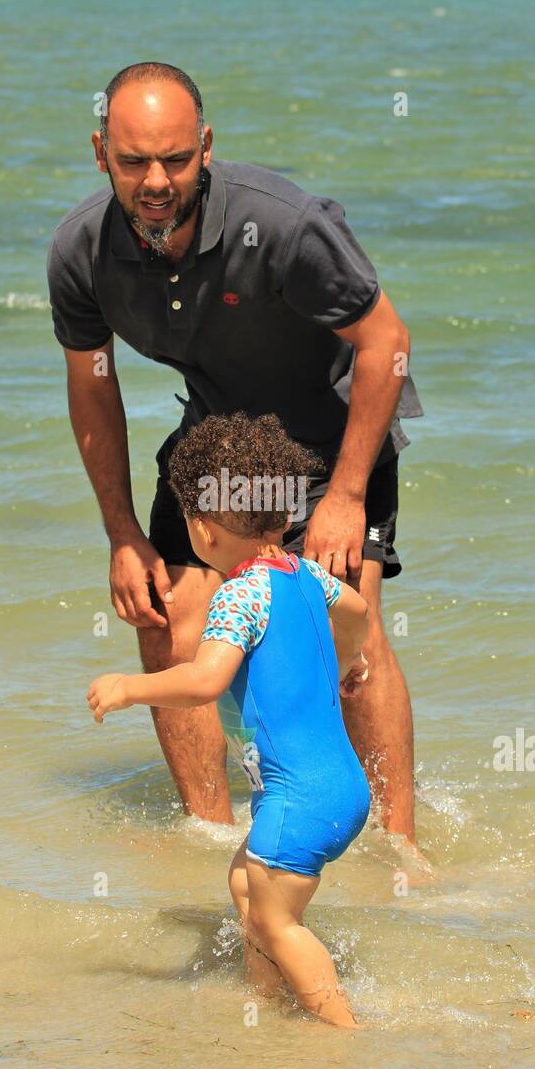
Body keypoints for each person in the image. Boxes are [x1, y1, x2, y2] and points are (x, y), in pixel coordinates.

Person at [48, 60, 423, 843]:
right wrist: (121, 533)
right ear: (99, 152)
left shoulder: (287, 226)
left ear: (206, 147)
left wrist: (348, 494)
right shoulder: (82, 252)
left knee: (348, 644)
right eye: (133, 160)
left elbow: (384, 344)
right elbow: (92, 386)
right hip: (219, 443)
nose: (156, 180)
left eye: (176, 159)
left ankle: (399, 847)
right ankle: (215, 839)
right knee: (162, 619)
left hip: (331, 442)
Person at [87, 413, 372, 1028]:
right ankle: (266, 1005)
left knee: (277, 919)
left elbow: (204, 680)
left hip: (297, 798)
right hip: (341, 788)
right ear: (288, 515)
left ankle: (344, 1033)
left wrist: (130, 688)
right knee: (246, 884)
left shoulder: (238, 594)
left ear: (201, 530)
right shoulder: (305, 575)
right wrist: (351, 660)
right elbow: (356, 608)